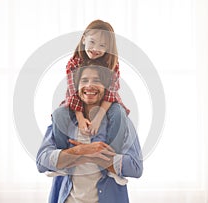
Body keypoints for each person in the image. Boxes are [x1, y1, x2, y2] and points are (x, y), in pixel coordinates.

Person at [36, 64, 143, 203]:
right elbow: (42, 161)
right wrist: (82, 150)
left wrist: (94, 157)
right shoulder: (63, 121)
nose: (90, 85)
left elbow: (135, 167)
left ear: (106, 88)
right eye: (84, 80)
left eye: (97, 81)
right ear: (76, 87)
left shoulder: (120, 122)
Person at [53, 19, 129, 153]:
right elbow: (73, 92)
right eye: (92, 42)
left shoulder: (112, 64)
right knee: (59, 114)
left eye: (102, 45)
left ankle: (112, 155)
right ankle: (62, 155)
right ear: (84, 39)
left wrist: (99, 116)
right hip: (76, 101)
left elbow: (111, 92)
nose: (95, 49)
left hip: (106, 101)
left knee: (119, 113)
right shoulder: (73, 63)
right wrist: (80, 117)